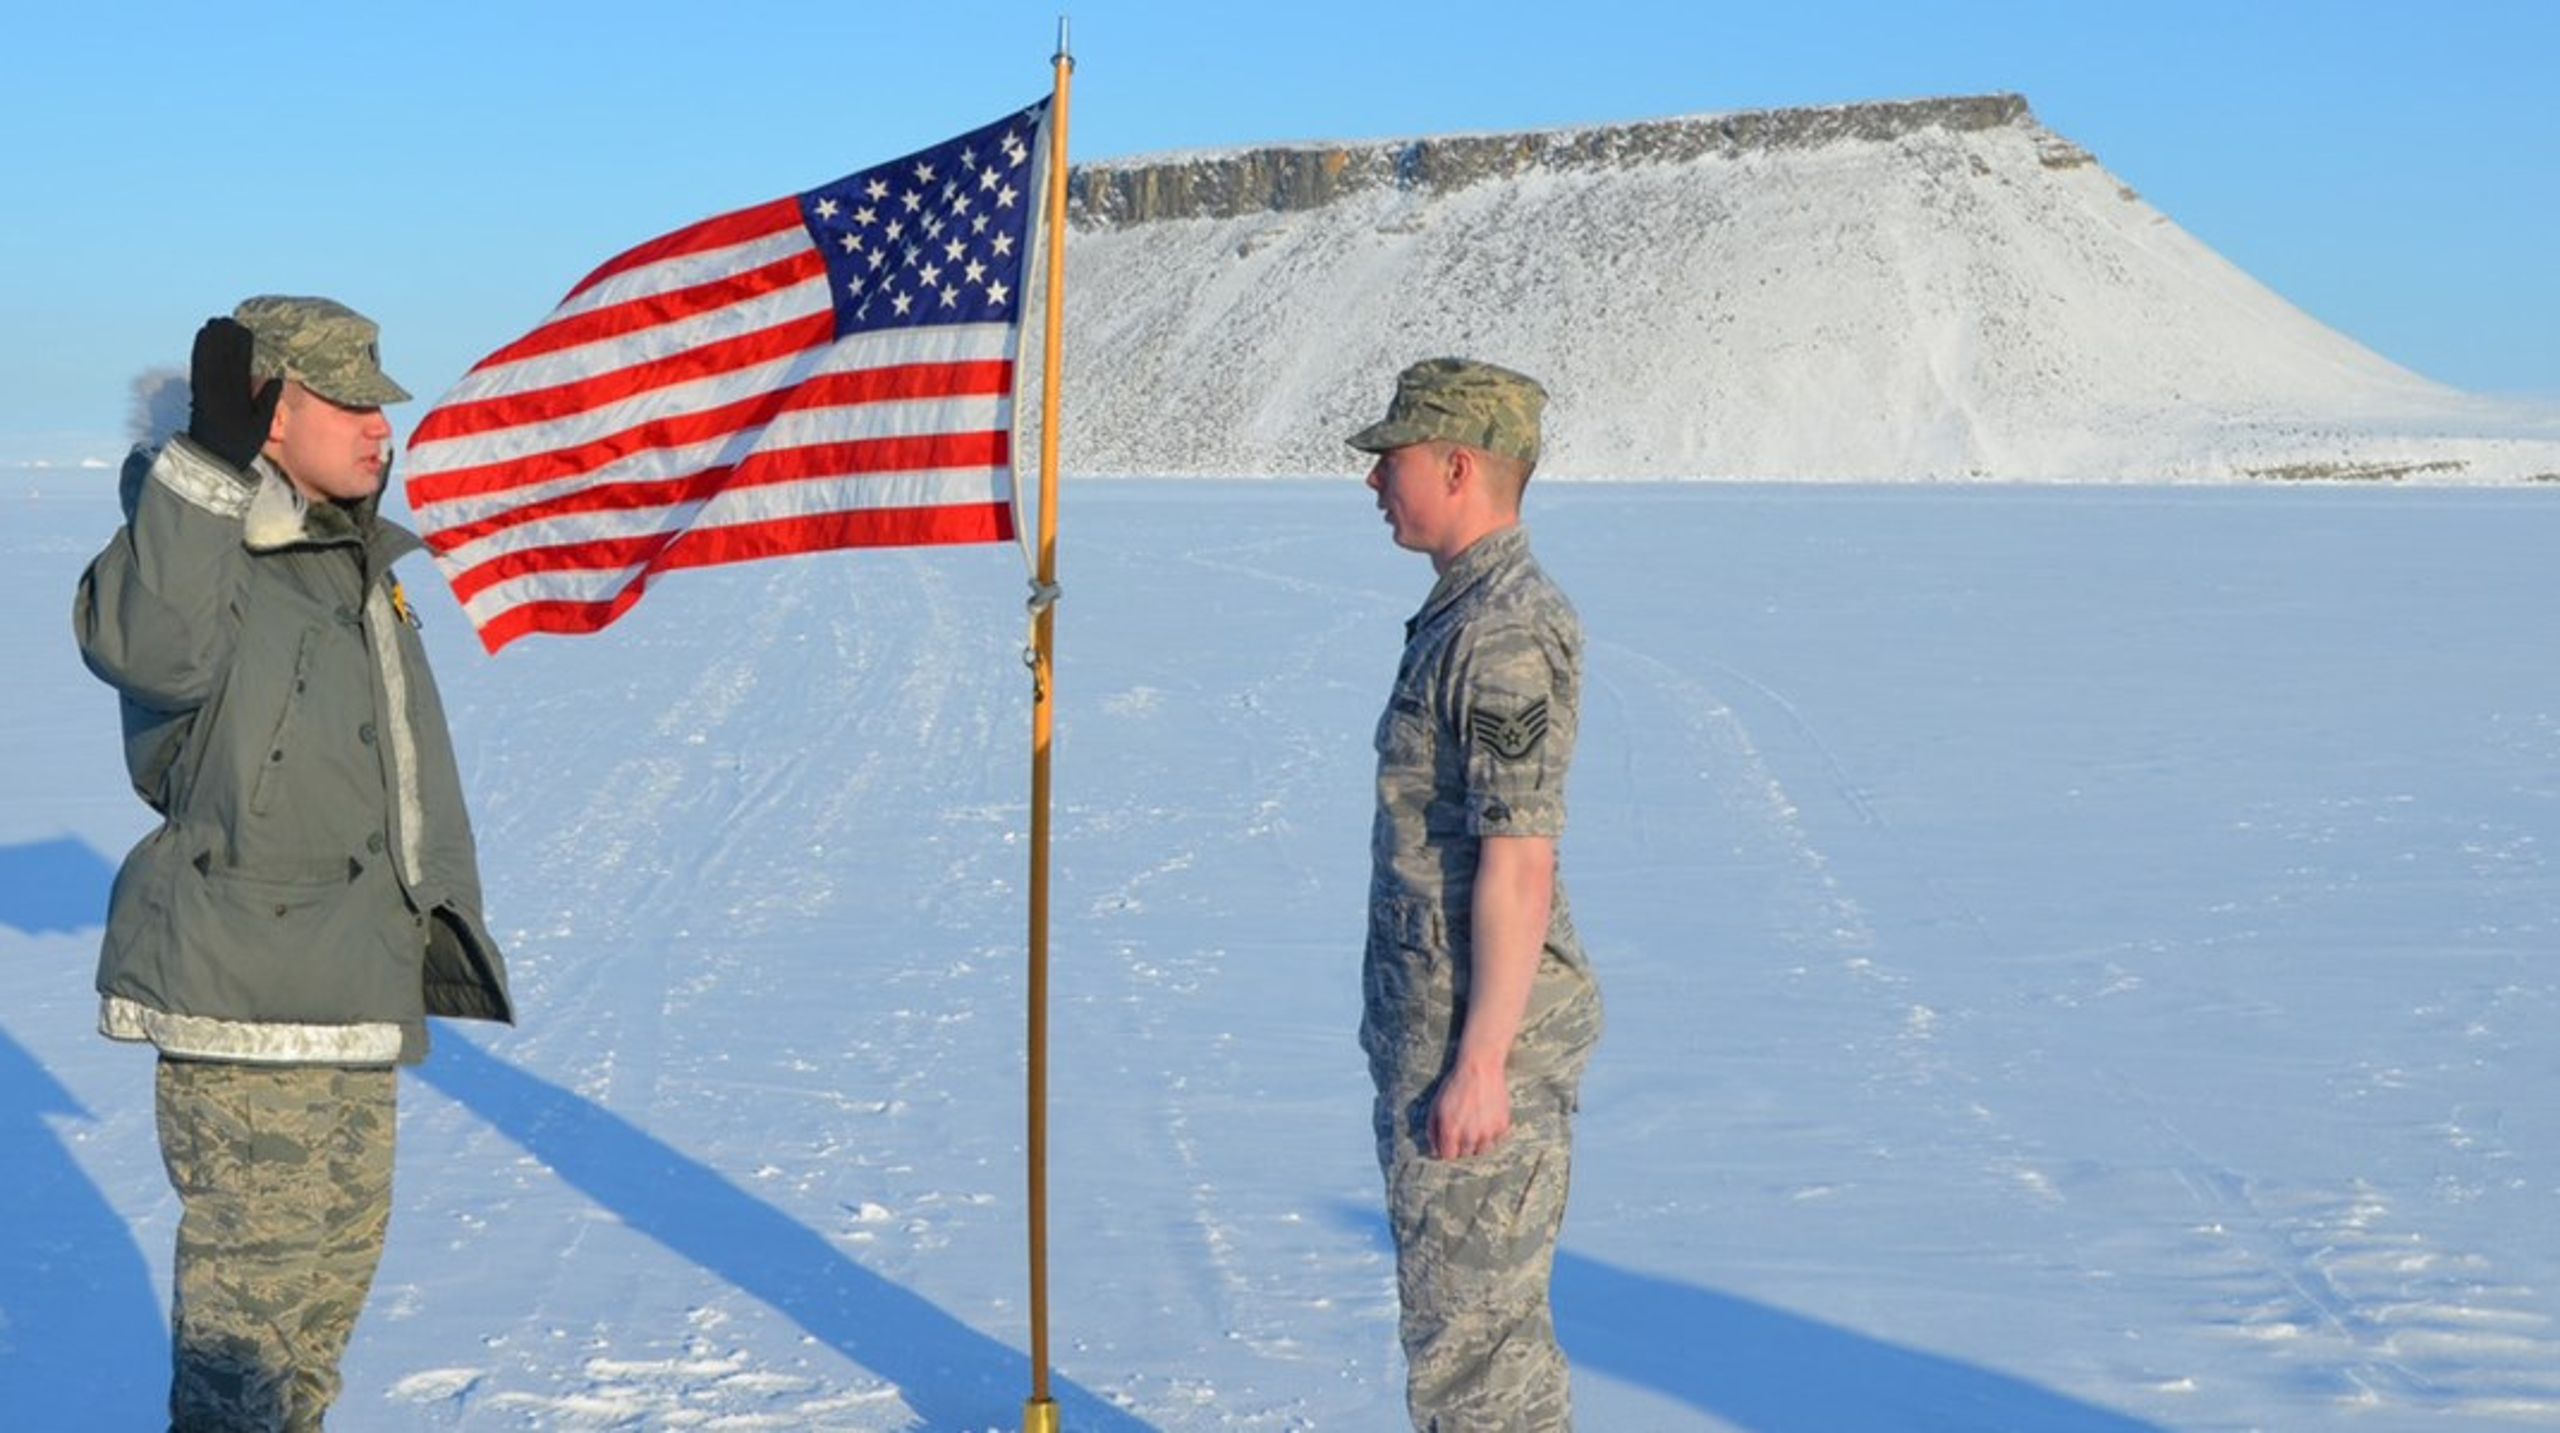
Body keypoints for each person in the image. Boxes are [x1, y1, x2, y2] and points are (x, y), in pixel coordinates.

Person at [74, 297, 514, 1430]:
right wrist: (202, 467)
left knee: (314, 1319)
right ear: (266, 415)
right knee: (245, 1336)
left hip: (348, 982)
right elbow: (150, 649)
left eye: (382, 404)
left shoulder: (346, 556)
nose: (381, 427)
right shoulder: (200, 556)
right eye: (350, 401)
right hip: (247, 989)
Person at [1349, 357, 1604, 1431]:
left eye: (1390, 461)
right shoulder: (1464, 611)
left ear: (1457, 465)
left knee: (1476, 1357)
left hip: (1474, 1033)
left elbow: (1519, 856)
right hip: (1441, 1023)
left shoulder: (1498, 630)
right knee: (1467, 1334)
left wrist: (1480, 1064)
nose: (1372, 484)